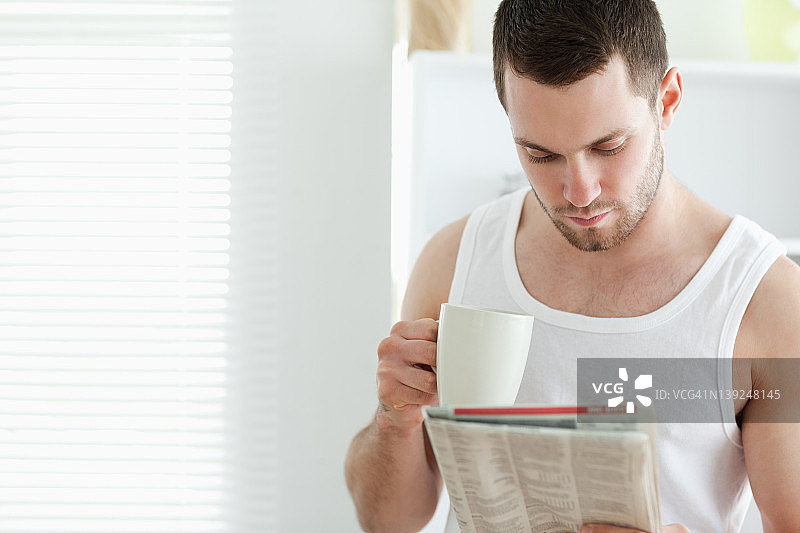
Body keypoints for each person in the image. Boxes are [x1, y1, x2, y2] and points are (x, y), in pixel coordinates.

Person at [345, 0, 800, 531]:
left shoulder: (765, 301)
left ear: (667, 100)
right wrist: (394, 421)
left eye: (609, 146)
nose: (580, 192)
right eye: (541, 155)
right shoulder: (453, 260)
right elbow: (386, 522)